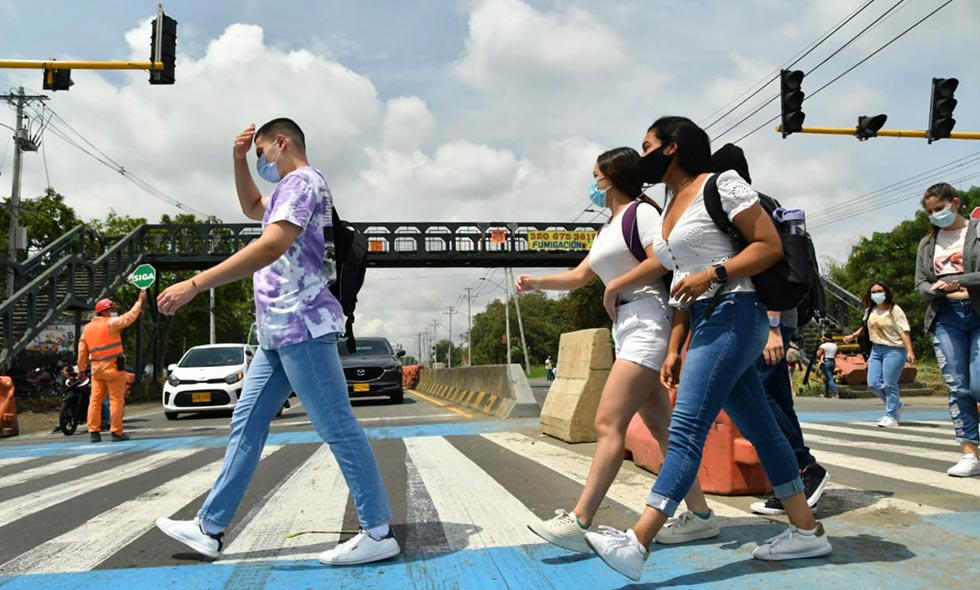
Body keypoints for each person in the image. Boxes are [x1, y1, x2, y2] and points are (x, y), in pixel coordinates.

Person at [583, 117, 830, 582]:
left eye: (648, 145)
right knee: (763, 428)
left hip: (736, 311)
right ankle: (806, 530)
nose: (643, 155)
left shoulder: (722, 185)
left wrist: (715, 274)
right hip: (705, 319)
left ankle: (638, 540)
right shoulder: (672, 202)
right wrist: (676, 345)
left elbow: (768, 245)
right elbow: (681, 282)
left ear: (672, 148)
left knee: (686, 429)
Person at [154, 118, 398, 565]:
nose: (261, 161)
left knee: (338, 427)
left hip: (302, 324)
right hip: (276, 334)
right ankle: (209, 528)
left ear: (281, 143)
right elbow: (251, 205)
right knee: (245, 426)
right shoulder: (285, 192)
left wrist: (194, 284)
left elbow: (270, 246)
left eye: (262, 153)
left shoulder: (303, 183)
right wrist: (237, 159)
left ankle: (378, 530)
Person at [517, 147, 719, 553]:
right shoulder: (608, 227)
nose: (593, 183)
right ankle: (700, 516)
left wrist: (615, 284)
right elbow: (579, 277)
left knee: (608, 423)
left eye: (596, 175)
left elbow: (662, 260)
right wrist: (537, 282)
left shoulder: (640, 214)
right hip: (625, 326)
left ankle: (580, 519)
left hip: (647, 319)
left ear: (611, 177)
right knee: (662, 428)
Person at [710, 144, 830, 516]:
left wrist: (774, 328)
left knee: (762, 397)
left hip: (769, 317)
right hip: (770, 317)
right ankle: (796, 478)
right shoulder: (760, 200)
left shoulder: (747, 206)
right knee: (775, 398)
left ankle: (804, 468)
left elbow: (769, 266)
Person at [915, 183, 980, 477]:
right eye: (929, 211)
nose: (934, 215)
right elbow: (919, 285)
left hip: (977, 310)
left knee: (978, 384)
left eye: (939, 209)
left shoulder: (976, 231)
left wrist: (960, 281)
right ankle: (969, 452)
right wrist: (936, 289)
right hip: (946, 315)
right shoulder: (928, 244)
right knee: (958, 386)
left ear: (955, 202)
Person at [843, 282, 915, 427]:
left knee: (889, 383)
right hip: (876, 349)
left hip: (894, 349)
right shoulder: (870, 310)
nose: (877, 294)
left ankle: (891, 415)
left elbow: (904, 331)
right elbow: (866, 327)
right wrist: (852, 336)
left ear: (886, 292)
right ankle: (896, 405)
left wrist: (910, 350)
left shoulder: (894, 310)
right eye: (874, 291)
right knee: (873, 383)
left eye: (880, 290)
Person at [77, 291, 146, 442]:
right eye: (112, 310)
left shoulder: (87, 328)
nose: (114, 313)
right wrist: (139, 301)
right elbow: (129, 317)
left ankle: (94, 432)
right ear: (104, 311)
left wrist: (81, 370)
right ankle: (116, 431)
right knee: (116, 400)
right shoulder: (110, 324)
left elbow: (82, 351)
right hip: (114, 368)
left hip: (96, 370)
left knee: (95, 401)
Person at [816, 334, 840, 399]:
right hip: (832, 361)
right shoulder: (835, 345)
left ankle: (836, 393)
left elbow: (818, 354)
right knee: (827, 378)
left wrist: (818, 353)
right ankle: (826, 393)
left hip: (826, 361)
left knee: (829, 378)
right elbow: (837, 354)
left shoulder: (823, 346)